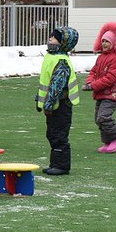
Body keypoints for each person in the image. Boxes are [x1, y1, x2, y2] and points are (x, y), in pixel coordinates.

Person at [36, 27, 80, 175]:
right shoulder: (51, 57)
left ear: (63, 43)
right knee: (52, 133)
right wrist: (39, 99)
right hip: (54, 105)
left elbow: (57, 86)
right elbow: (46, 81)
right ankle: (55, 163)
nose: (50, 39)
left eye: (54, 38)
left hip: (61, 105)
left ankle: (61, 165)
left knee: (59, 135)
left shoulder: (61, 61)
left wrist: (47, 104)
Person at [84, 22, 116, 153]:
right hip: (102, 93)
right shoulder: (101, 57)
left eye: (107, 41)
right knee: (98, 119)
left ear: (114, 43)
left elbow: (110, 78)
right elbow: (94, 71)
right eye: (102, 41)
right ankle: (108, 142)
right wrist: (89, 81)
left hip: (113, 94)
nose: (104, 44)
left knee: (103, 117)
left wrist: (93, 86)